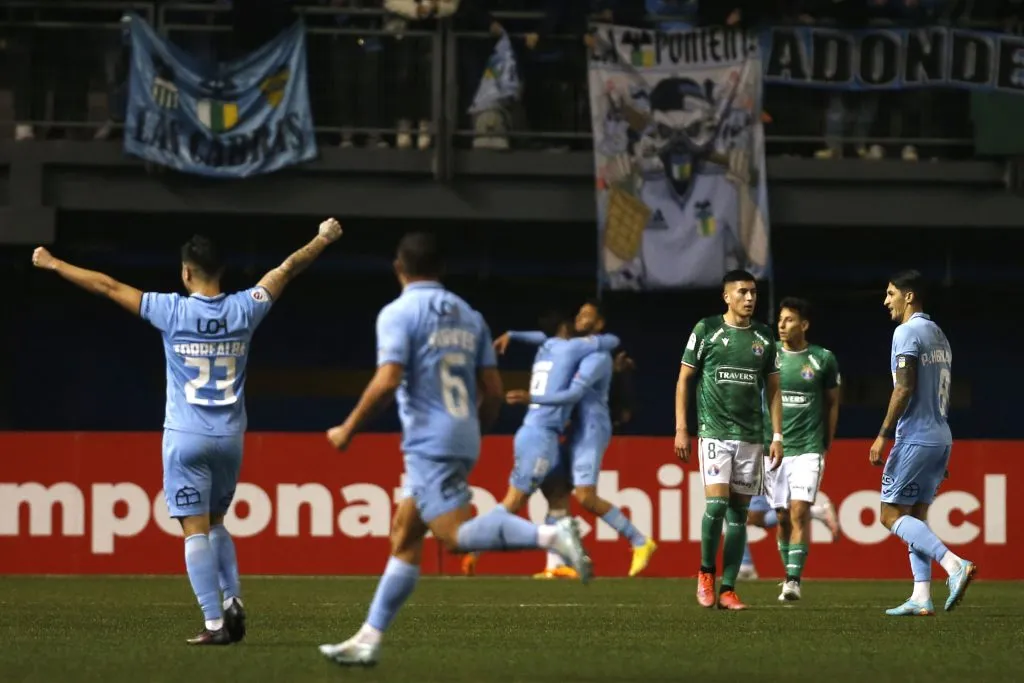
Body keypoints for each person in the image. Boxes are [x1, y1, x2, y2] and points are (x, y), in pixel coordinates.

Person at [31, 218, 344, 644]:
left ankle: (215, 623)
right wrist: (322, 238)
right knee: (217, 522)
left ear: (185, 272)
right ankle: (233, 598)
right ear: (223, 270)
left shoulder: (171, 310)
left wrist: (54, 263)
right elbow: (288, 268)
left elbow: (106, 286)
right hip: (230, 438)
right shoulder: (245, 307)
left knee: (193, 527)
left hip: (185, 436)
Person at [319, 233, 590, 667]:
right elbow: (494, 392)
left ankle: (552, 535)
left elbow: (388, 379)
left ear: (398, 268)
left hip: (429, 440)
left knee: (455, 537)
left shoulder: (398, 312)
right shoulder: (470, 316)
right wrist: (473, 433)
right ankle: (368, 638)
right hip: (462, 433)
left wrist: (348, 429)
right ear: (441, 269)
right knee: (405, 535)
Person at [458, 307, 620, 578]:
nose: (579, 323)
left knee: (558, 495)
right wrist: (591, 338)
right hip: (540, 436)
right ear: (566, 330)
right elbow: (612, 341)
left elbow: (541, 337)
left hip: (543, 434)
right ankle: (473, 545)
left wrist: (512, 334)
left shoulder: (549, 346)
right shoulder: (570, 349)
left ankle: (557, 565)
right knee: (514, 501)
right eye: (575, 319)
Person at [503, 301, 657, 577]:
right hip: (575, 428)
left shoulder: (596, 356)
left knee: (586, 496)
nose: (581, 319)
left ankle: (640, 541)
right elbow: (548, 338)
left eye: (588, 316)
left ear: (598, 325)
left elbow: (574, 395)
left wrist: (532, 399)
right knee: (557, 490)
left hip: (592, 429)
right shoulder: (575, 348)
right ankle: (557, 564)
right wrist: (512, 335)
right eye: (579, 314)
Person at [674, 269, 783, 610]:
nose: (749, 298)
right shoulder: (706, 329)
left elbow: (775, 389)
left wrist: (776, 434)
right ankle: (706, 573)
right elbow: (684, 380)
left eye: (753, 292)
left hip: (751, 436)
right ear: (726, 296)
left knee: (739, 516)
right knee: (717, 506)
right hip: (714, 433)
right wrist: (682, 427)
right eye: (742, 292)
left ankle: (728, 588)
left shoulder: (765, 337)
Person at [871, 270, 975, 616]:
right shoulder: (938, 334)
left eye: (890, 294)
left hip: (915, 435)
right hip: (941, 436)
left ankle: (953, 563)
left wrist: (883, 434)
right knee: (916, 515)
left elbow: (904, 386)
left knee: (889, 514)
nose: (886, 301)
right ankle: (921, 596)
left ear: (909, 296)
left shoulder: (906, 332)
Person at [760, 297, 841, 600]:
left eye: (789, 320)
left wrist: (826, 443)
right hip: (775, 449)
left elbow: (833, 403)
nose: (782, 325)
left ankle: (793, 580)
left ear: (804, 325)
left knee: (799, 510)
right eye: (780, 320)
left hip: (808, 447)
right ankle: (787, 575)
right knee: (781, 517)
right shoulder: (768, 357)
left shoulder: (823, 359)